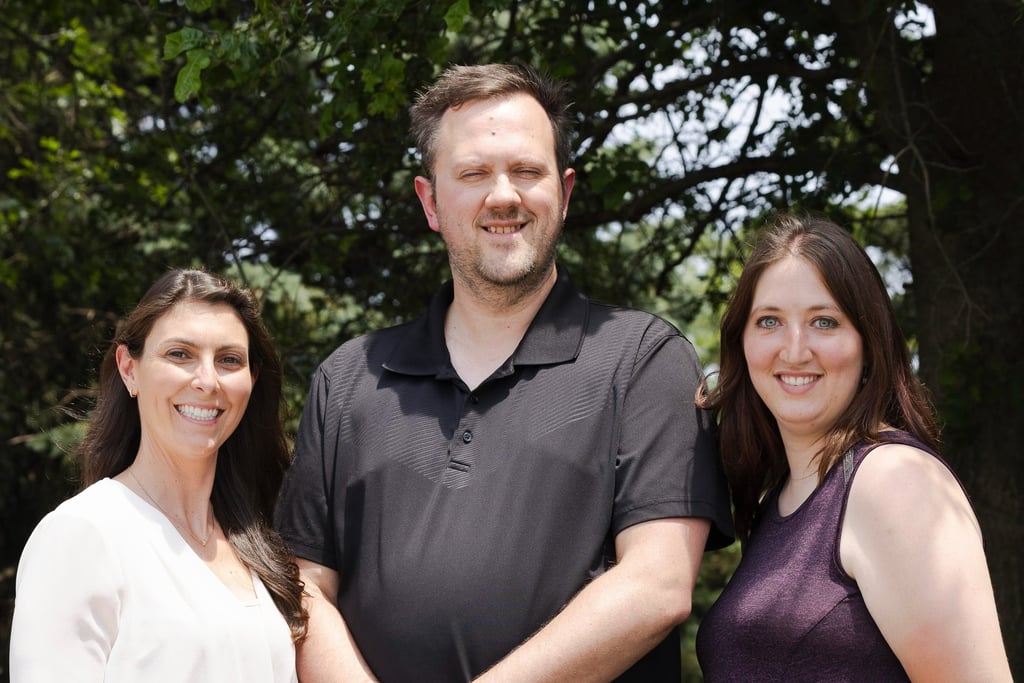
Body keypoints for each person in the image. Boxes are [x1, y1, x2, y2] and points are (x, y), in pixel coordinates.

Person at [274, 63, 734, 682]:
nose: (503, 196)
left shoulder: (643, 360)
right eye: (473, 174)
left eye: (526, 171)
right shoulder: (348, 378)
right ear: (430, 201)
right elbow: (302, 588)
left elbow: (657, 586)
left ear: (565, 193)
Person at [695, 214, 1012, 681]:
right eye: (769, 322)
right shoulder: (777, 502)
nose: (795, 350)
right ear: (742, 342)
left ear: (869, 344)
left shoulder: (895, 481)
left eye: (824, 321)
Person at [10, 268, 307, 682]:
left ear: (251, 380)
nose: (208, 381)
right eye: (180, 354)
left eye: (229, 360)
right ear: (130, 370)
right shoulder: (82, 534)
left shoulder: (258, 542)